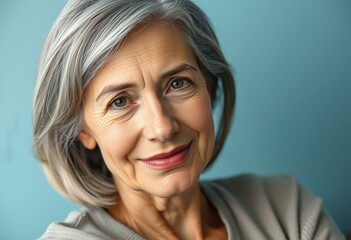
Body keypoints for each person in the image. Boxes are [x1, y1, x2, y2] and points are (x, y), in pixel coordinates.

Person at [33, 0, 344, 239]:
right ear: (83, 130)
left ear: (208, 85)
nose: (162, 127)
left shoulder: (286, 209)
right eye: (120, 102)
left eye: (178, 83)